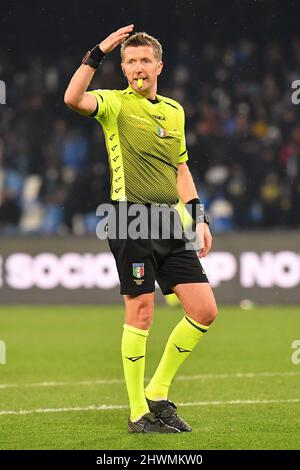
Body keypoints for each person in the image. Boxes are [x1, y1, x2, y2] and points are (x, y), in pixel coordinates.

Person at [64, 25, 218, 433]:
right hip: (130, 220)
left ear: (158, 66)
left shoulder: (174, 110)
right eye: (130, 61)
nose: (137, 67)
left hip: (170, 222)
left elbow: (181, 169)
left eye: (144, 60)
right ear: (123, 67)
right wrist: (97, 52)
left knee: (204, 310)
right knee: (142, 311)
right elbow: (72, 98)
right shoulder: (114, 104)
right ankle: (138, 414)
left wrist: (199, 219)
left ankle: (159, 391)